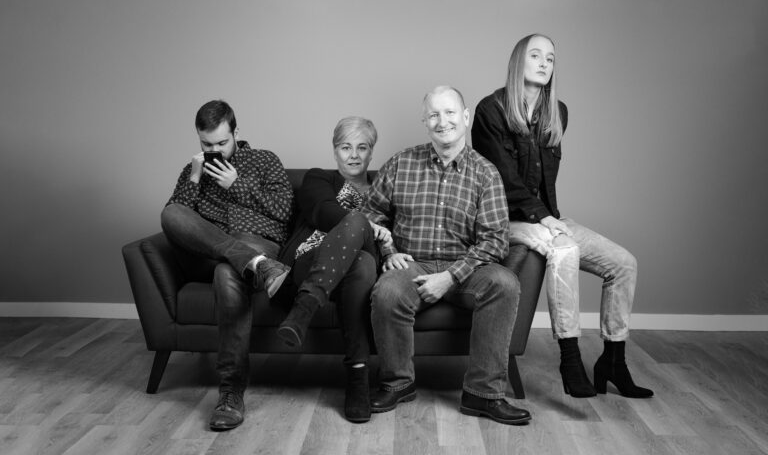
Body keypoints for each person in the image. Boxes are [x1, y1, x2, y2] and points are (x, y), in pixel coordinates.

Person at [472, 34, 653, 399]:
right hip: (506, 219)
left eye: (550, 58)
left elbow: (542, 181)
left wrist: (550, 218)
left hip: (547, 217)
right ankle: (570, 360)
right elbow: (504, 181)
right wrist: (544, 220)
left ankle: (613, 361)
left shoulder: (558, 112)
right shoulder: (490, 110)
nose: (543, 63)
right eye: (535, 55)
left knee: (624, 264)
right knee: (565, 250)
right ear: (517, 62)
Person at [362, 86, 531, 426]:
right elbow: (370, 215)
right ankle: (398, 383)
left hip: (467, 267)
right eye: (434, 114)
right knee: (388, 291)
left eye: (450, 112)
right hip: (412, 262)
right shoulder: (400, 163)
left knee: (505, 284)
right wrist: (388, 250)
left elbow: (495, 241)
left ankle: (483, 395)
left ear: (465, 118)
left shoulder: (486, 172)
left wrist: (450, 277)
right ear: (425, 121)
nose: (443, 121)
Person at [160, 99, 294, 430]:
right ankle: (257, 265)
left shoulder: (264, 160)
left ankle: (231, 392)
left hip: (256, 240)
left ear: (236, 132)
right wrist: (193, 177)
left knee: (228, 270)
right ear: (198, 139)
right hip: (206, 251)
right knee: (171, 212)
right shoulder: (193, 170)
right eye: (207, 144)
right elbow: (178, 219)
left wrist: (238, 185)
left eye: (222, 142)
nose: (216, 150)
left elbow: (284, 213)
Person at [275, 116, 391, 423]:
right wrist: (363, 222)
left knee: (365, 259)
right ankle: (357, 377)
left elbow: (396, 237)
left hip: (364, 268)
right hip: (309, 261)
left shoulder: (385, 189)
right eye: (345, 147)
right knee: (357, 236)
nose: (353, 155)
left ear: (371, 152)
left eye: (362, 147)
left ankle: (305, 308)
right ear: (334, 150)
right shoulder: (319, 179)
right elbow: (322, 211)